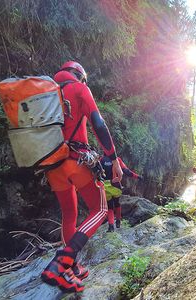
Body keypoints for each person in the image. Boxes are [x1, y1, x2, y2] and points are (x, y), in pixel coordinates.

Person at [40, 61, 123, 293]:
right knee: (100, 208)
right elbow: (98, 123)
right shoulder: (79, 88)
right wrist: (113, 158)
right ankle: (61, 262)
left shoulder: (48, 93)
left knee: (69, 213)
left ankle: (70, 268)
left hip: (52, 164)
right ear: (80, 76)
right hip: (76, 160)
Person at [100, 156, 142, 232]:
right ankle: (118, 221)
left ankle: (111, 226)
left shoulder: (100, 159)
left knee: (110, 207)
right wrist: (138, 177)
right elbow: (127, 172)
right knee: (117, 203)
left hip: (105, 186)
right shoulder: (117, 160)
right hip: (115, 185)